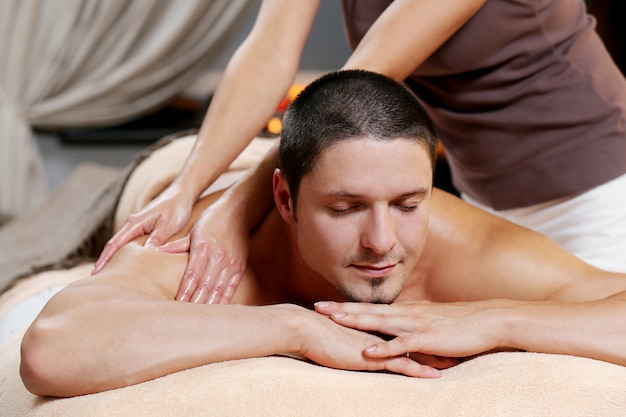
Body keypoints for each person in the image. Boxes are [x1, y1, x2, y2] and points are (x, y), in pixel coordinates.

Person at [21, 71, 626, 398]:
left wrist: (500, 317)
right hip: (178, 172)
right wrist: (296, 326)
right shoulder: (207, 258)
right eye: (346, 209)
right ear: (283, 200)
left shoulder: (461, 248)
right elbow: (53, 348)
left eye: (408, 203)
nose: (383, 242)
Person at [92, 0, 626, 305]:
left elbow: (355, 87)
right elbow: (267, 51)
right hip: (484, 190)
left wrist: (234, 207)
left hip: (596, 185)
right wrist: (186, 190)